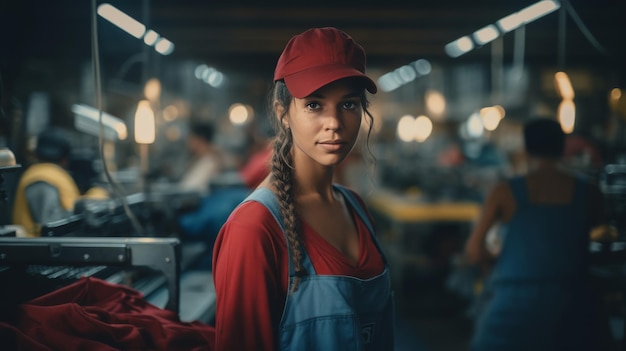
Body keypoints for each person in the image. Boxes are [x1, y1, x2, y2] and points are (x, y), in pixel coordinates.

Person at [212, 27, 395, 350]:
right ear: (283, 114)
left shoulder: (355, 207)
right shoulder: (254, 228)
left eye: (349, 105)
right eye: (314, 105)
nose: (334, 123)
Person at [464, 117, 608, 351]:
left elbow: (473, 251)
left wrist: (502, 263)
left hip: (513, 304)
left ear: (526, 148)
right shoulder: (591, 194)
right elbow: (598, 239)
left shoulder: (505, 192)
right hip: (572, 303)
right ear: (562, 146)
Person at [12, 127, 108, 237]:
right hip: (35, 252)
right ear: (65, 158)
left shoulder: (46, 175)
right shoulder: (41, 178)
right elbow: (50, 225)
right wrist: (85, 206)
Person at [178, 120, 224, 193]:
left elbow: (189, 188)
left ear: (200, 140)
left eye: (191, 138)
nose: (188, 142)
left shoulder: (209, 162)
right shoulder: (199, 160)